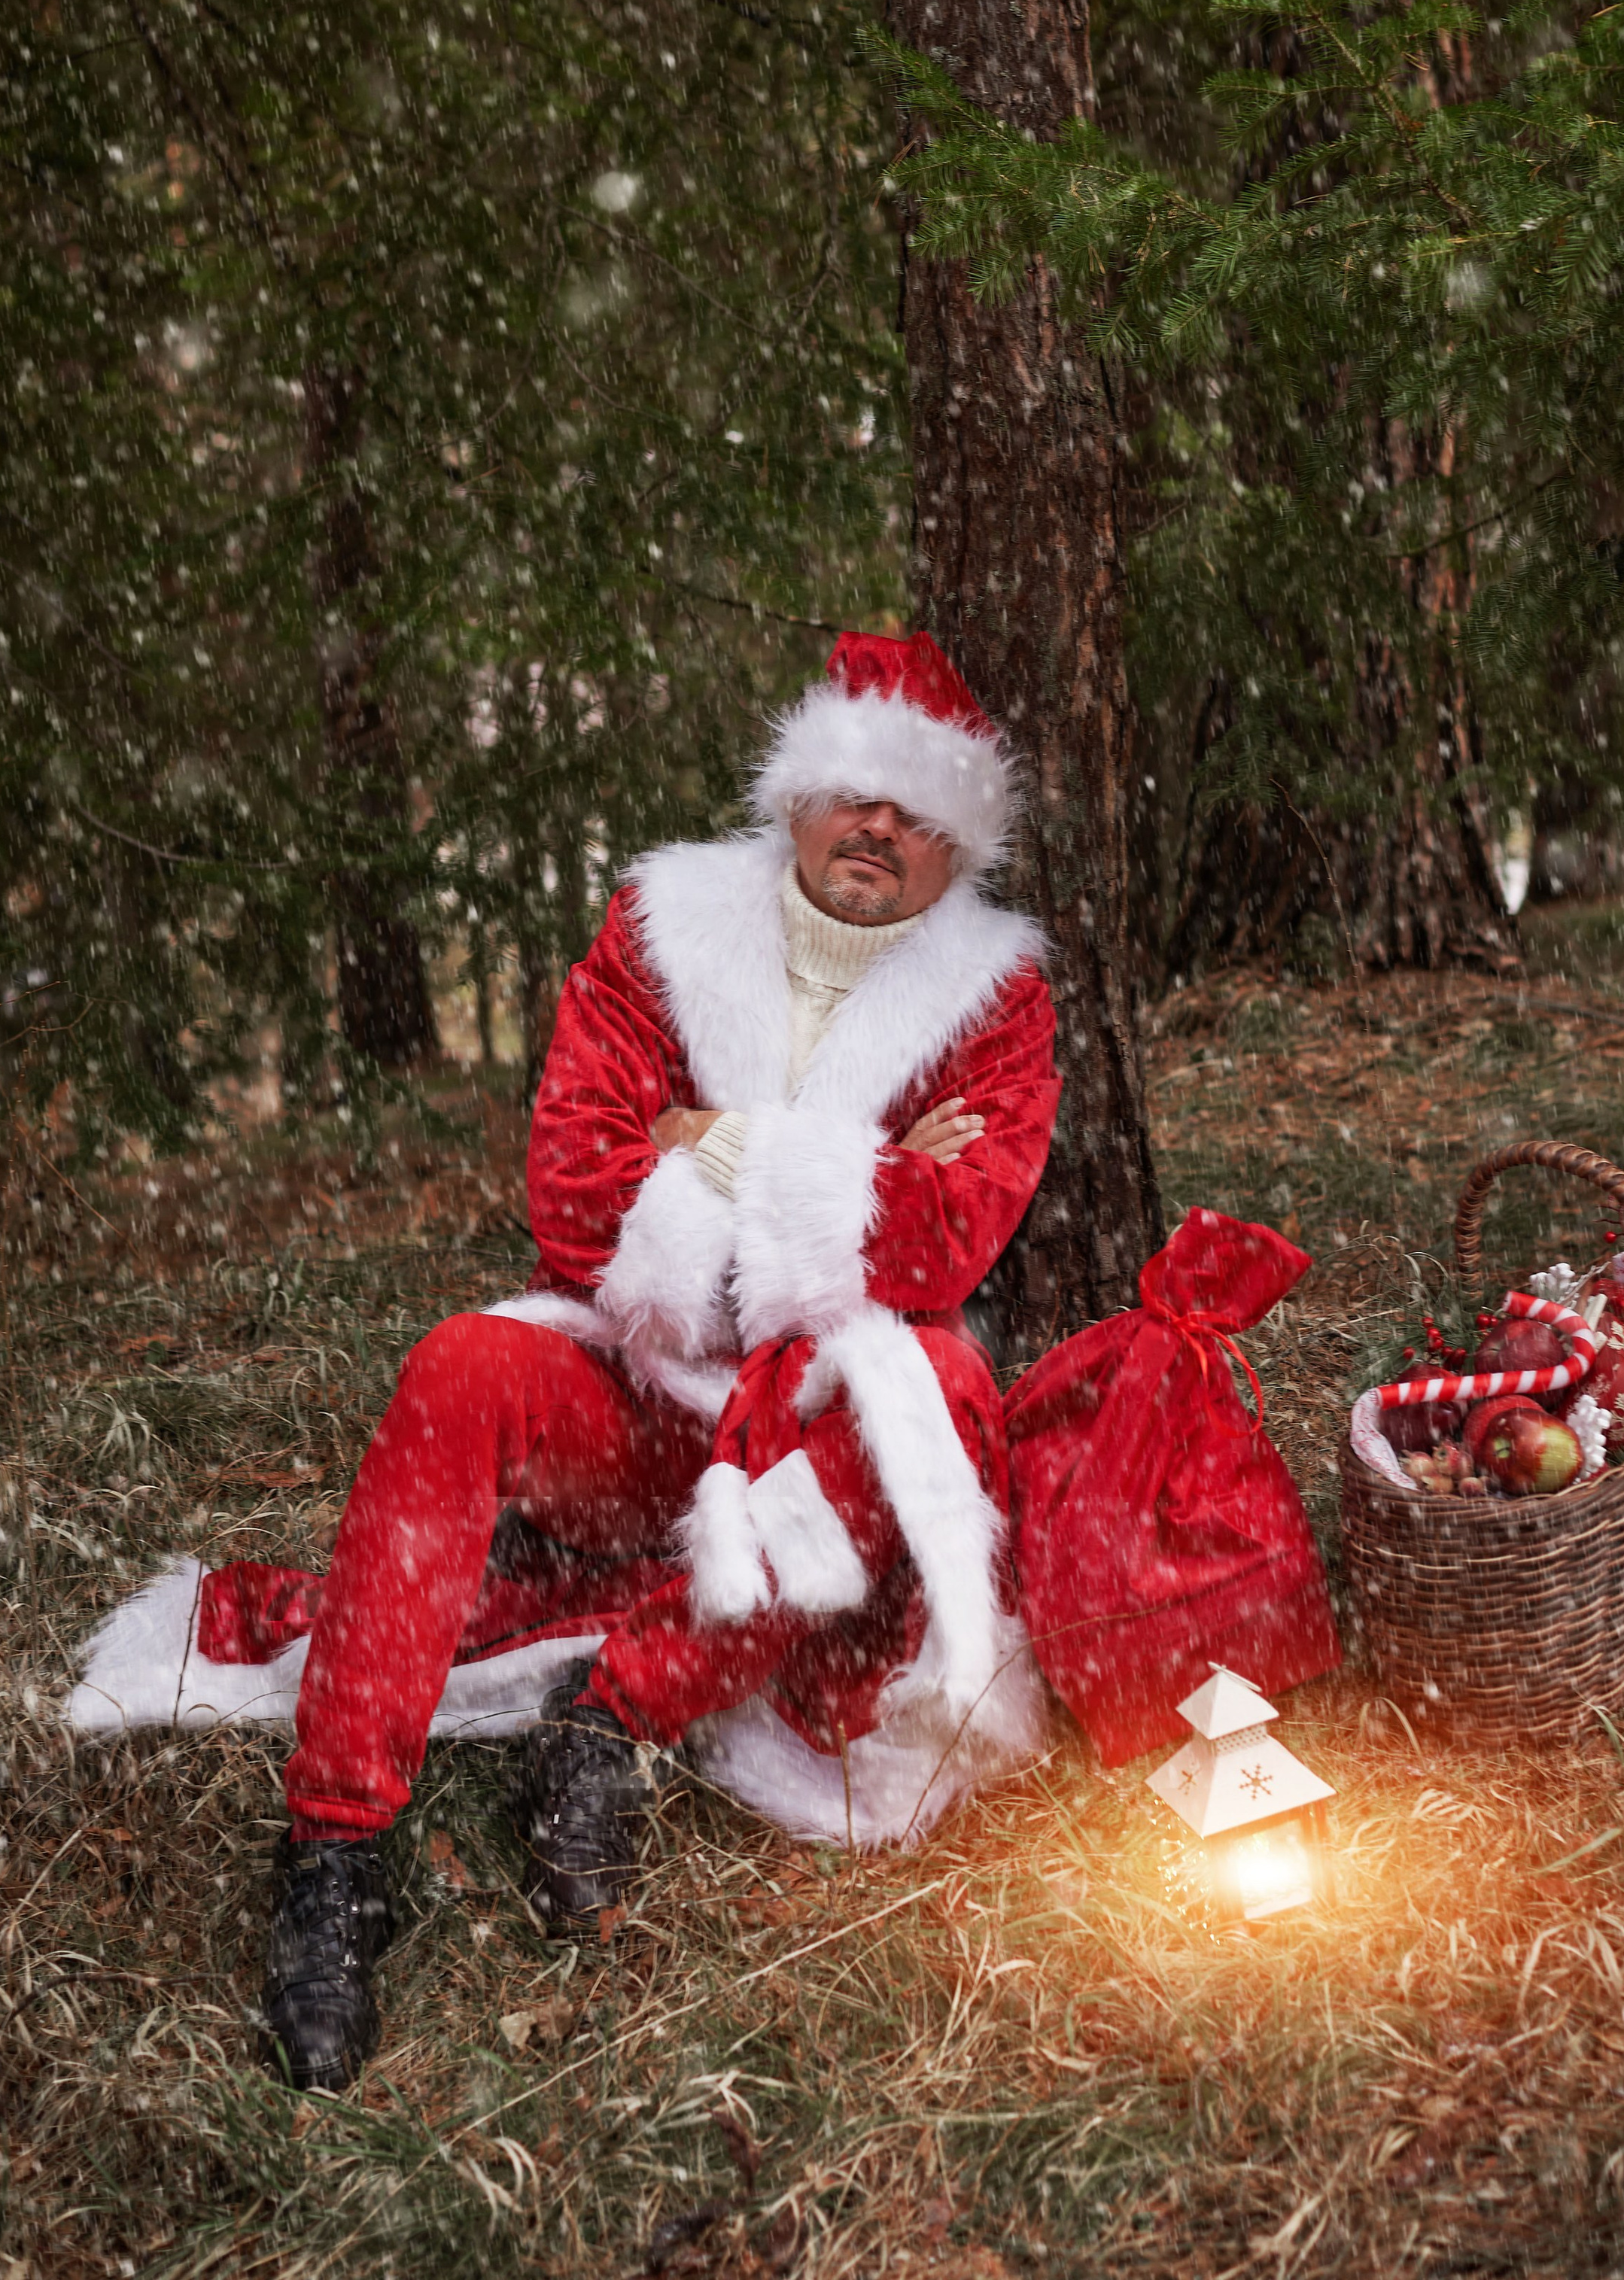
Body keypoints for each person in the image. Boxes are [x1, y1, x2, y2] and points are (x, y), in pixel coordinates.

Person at [259, 631, 1060, 2090]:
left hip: (812, 1436)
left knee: (933, 1393)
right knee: (458, 1366)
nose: (878, 829)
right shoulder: (663, 928)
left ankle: (613, 1718)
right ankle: (336, 1846)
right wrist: (854, 1167)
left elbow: (947, 1247)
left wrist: (703, 1143)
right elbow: (572, 1189)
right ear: (799, 798)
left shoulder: (994, 1000)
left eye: (917, 813)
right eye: (852, 797)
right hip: (646, 1398)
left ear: (955, 848)